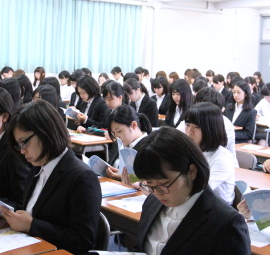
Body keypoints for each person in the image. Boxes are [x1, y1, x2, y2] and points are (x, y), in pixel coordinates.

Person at [0, 100, 101, 254]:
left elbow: (83, 242)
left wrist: (32, 225)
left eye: (24, 143)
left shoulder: (82, 177)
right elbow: (28, 212)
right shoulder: (37, 167)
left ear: (45, 132)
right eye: (19, 145)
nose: (22, 151)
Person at [134, 127, 251, 255]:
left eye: (164, 184)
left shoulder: (226, 223)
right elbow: (140, 248)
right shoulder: (152, 202)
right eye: (149, 184)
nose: (157, 192)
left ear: (192, 172)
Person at [184, 102, 235, 204]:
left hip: (216, 211)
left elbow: (200, 190)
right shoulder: (189, 149)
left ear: (210, 128)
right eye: (188, 125)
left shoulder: (222, 157)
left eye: (196, 127)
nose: (190, 131)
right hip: (192, 204)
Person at [105, 105, 152, 184]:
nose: (117, 137)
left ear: (133, 125)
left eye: (119, 131)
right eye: (114, 133)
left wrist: (123, 178)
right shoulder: (121, 142)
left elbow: (149, 182)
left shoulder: (149, 148)